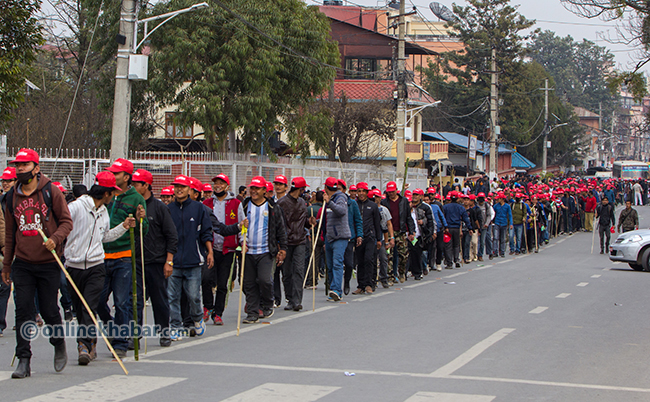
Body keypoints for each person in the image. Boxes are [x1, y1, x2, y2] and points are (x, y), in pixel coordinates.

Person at [2, 148, 73, 379]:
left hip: (48, 262)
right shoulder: (11, 196)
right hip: (22, 262)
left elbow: (66, 222)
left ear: (36, 168)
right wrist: (7, 265)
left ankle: (58, 342)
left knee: (49, 309)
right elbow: (10, 234)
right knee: (23, 311)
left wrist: (55, 239)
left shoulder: (51, 192)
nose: (20, 169)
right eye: (17, 166)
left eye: (24, 165)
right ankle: (24, 359)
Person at [65, 172, 134, 365]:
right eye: (112, 193)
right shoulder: (76, 207)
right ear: (106, 193)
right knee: (80, 309)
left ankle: (83, 345)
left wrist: (124, 227)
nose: (113, 197)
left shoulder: (103, 211)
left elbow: (105, 237)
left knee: (89, 306)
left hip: (96, 266)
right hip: (73, 265)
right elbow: (62, 225)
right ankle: (91, 342)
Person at [96, 158, 147, 358]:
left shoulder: (136, 199)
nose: (112, 175)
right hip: (101, 256)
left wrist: (140, 221)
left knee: (122, 301)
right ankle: (112, 328)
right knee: (98, 300)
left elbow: (145, 230)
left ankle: (120, 341)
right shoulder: (105, 194)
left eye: (116, 173)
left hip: (124, 257)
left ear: (126, 177)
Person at [132, 169, 178, 346]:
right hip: (136, 260)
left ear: (146, 185)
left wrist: (169, 260)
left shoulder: (160, 208)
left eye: (137, 184)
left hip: (157, 262)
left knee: (159, 299)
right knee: (135, 299)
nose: (134, 187)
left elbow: (171, 236)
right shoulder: (132, 206)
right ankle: (134, 334)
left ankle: (164, 332)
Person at [166, 175, 214, 339]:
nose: (179, 189)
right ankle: (175, 326)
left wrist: (210, 253)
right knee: (173, 297)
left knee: (193, 296)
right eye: (176, 187)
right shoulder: (169, 209)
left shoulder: (199, 208)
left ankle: (197, 317)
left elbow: (206, 232)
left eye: (182, 187)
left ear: (189, 189)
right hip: (173, 261)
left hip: (193, 261)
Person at [241, 176, 287, 323]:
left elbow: (281, 229)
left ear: (264, 191)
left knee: (265, 279)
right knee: (248, 283)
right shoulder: (244, 206)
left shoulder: (273, 208)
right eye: (252, 188)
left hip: (266, 251)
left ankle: (268, 302)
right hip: (247, 251)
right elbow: (236, 225)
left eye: (257, 188)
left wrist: (283, 249)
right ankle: (253, 313)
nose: (253, 191)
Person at [201, 173, 244, 325]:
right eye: (215, 183)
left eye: (221, 183)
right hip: (210, 249)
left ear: (227, 186)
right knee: (206, 279)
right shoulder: (206, 203)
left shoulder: (236, 203)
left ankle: (218, 313)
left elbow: (241, 224)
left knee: (222, 283)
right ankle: (207, 307)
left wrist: (243, 242)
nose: (217, 185)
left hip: (228, 250)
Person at [276, 177, 313, 310]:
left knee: (298, 270)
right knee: (287, 272)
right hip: (286, 242)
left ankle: (297, 300)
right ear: (301, 189)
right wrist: (280, 243)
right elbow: (278, 225)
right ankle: (290, 299)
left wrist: (310, 222)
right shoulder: (282, 203)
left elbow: (304, 222)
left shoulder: (302, 202)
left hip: (300, 241)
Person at [381, 181, 414, 283]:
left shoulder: (403, 201)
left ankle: (402, 272)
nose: (391, 194)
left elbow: (408, 217)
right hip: (388, 232)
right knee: (389, 255)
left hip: (401, 231)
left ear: (396, 190)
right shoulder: (384, 202)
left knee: (403, 254)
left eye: (392, 191)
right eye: (389, 192)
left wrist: (411, 231)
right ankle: (390, 276)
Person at [323, 177, 350, 301]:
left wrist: (329, 202)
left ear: (326, 188)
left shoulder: (340, 197)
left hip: (340, 236)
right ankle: (332, 288)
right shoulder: (328, 200)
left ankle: (337, 290)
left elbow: (341, 211)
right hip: (330, 237)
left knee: (337, 263)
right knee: (330, 264)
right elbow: (328, 217)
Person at [352, 183, 381, 293]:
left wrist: (378, 239)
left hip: (370, 237)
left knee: (369, 259)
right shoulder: (354, 205)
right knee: (360, 261)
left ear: (367, 192)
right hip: (358, 237)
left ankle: (369, 283)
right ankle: (361, 285)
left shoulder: (373, 206)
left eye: (363, 191)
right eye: (359, 191)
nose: (361, 193)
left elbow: (377, 223)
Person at [0, 166, 16, 338]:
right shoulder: (1, 201)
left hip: (19, 248)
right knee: (5, 285)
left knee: (18, 286)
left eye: (8, 180)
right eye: (3, 181)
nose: (5, 183)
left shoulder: (19, 201)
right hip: (5, 248)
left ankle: (26, 317)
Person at [338, 179, 362, 295]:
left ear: (344, 190)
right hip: (336, 237)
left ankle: (346, 281)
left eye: (339, 189)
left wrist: (359, 235)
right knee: (335, 263)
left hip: (349, 237)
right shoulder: (331, 203)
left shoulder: (352, 203)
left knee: (348, 263)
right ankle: (334, 285)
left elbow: (358, 220)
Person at [410, 189, 435, 279]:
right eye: (414, 194)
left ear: (421, 196)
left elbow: (430, 221)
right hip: (409, 233)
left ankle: (418, 272)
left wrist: (430, 232)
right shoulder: (409, 206)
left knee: (418, 254)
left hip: (420, 234)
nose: (415, 196)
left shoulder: (425, 207)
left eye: (417, 195)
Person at [443, 191, 472, 268]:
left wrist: (444, 227)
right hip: (456, 228)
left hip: (448, 228)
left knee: (448, 246)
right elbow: (466, 219)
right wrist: (470, 228)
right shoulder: (461, 208)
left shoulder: (445, 207)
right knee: (456, 245)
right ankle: (456, 259)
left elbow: (442, 217)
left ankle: (449, 262)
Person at [372, 189, 394, 287]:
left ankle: (384, 278)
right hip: (371, 238)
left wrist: (389, 239)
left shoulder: (384, 210)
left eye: (377, 197)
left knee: (383, 258)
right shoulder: (370, 209)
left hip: (381, 237)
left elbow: (387, 225)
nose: (375, 199)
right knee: (371, 260)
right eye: (374, 196)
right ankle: (373, 280)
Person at [491, 193, 513, 258]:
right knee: (495, 238)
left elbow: (510, 215)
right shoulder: (496, 206)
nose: (498, 200)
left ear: (502, 199)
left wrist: (511, 223)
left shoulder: (507, 206)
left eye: (499, 199)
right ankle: (495, 251)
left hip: (504, 223)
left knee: (503, 239)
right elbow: (492, 213)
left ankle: (502, 251)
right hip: (497, 223)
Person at [476, 192, 493, 261]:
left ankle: (480, 255)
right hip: (477, 226)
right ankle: (475, 254)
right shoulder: (476, 206)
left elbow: (489, 215)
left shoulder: (486, 206)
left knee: (482, 241)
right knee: (477, 241)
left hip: (484, 227)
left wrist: (487, 223)